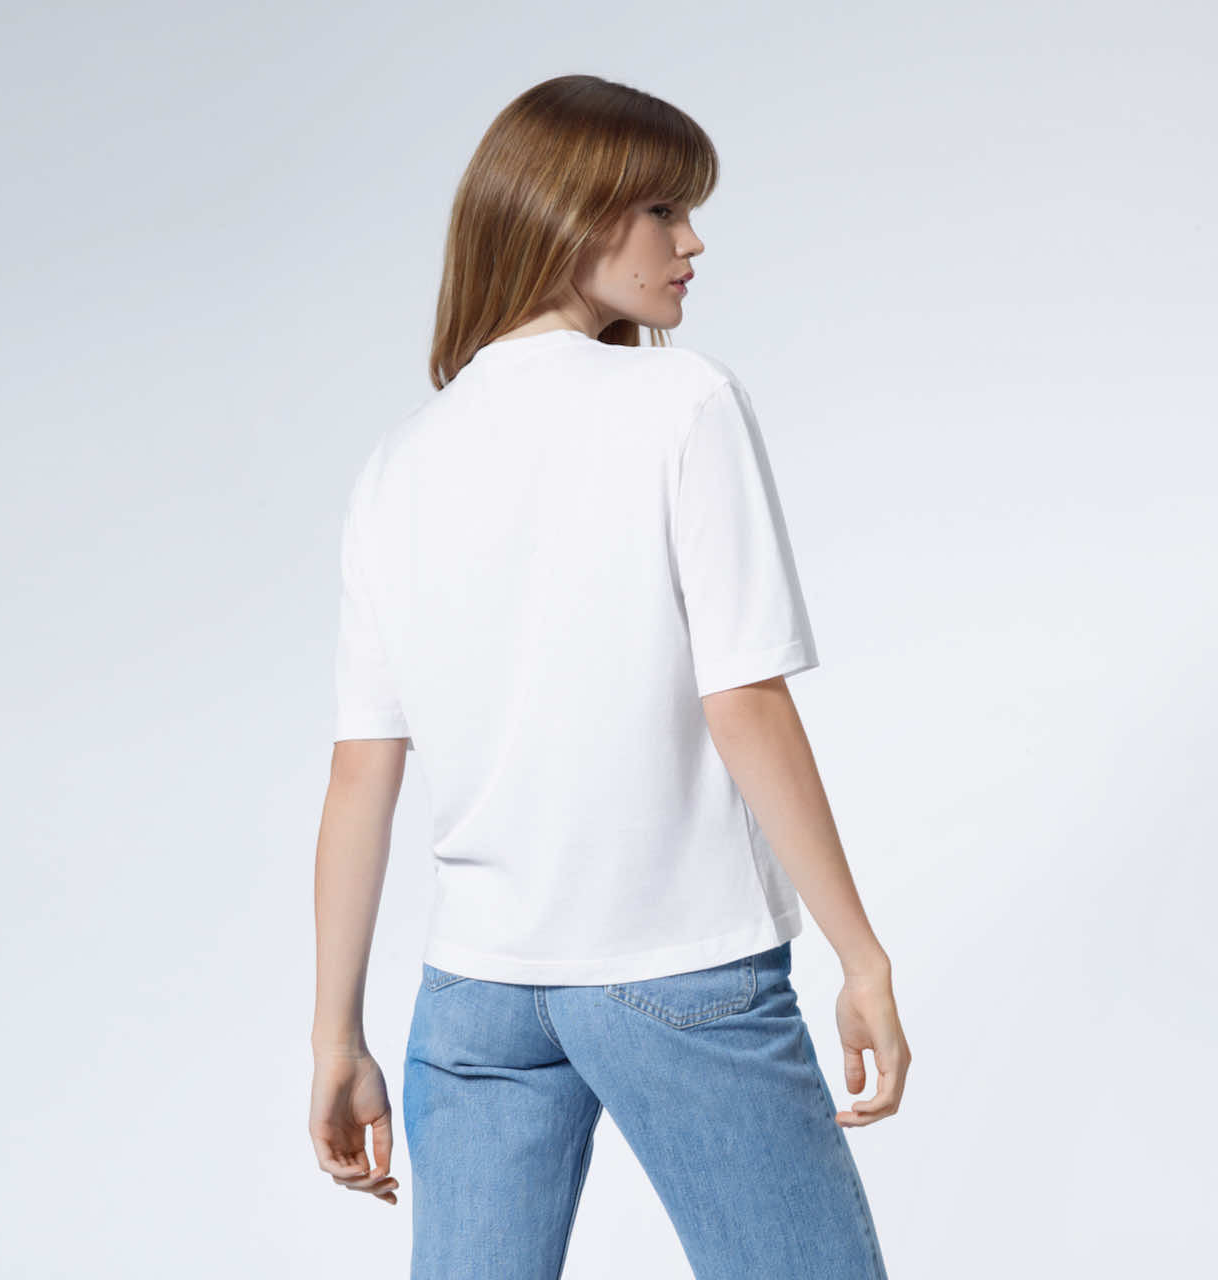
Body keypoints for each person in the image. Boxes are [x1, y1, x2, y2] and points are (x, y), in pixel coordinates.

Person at [309, 74, 911, 1279]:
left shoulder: (400, 461)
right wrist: (863, 955)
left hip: (475, 994)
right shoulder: (681, 400)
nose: (692, 243)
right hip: (672, 962)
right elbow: (740, 700)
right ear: (568, 213)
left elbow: (361, 773)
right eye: (661, 211)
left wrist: (334, 1031)